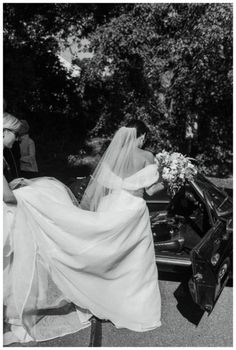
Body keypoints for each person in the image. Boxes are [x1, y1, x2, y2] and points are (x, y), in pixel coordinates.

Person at [3, 117, 162, 345]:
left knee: (107, 255)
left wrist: (85, 210)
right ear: (142, 136)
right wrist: (169, 178)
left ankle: (103, 295)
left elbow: (97, 188)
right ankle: (135, 308)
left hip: (111, 206)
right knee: (137, 262)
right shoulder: (147, 157)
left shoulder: (113, 158)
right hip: (132, 212)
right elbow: (152, 189)